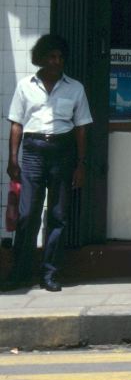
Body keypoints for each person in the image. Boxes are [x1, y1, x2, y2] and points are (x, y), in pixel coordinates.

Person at [4, 34, 93, 292]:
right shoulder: (25, 86)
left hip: (63, 152)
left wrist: (80, 164)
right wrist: (13, 159)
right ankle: (20, 273)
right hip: (33, 152)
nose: (57, 61)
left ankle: (49, 274)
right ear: (41, 58)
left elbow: (81, 129)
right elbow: (16, 124)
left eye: (61, 57)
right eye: (52, 56)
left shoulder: (75, 88)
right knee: (27, 215)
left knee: (57, 215)